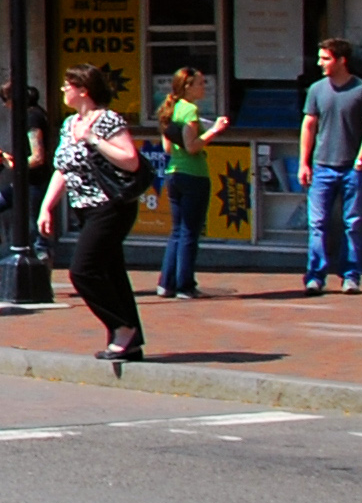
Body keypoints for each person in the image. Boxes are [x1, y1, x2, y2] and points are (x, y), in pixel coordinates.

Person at [48, 64, 151, 361]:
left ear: (84, 89)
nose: (63, 90)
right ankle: (129, 343)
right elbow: (63, 169)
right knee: (112, 273)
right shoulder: (69, 124)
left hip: (111, 206)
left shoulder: (107, 120)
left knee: (83, 271)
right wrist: (47, 207)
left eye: (68, 85)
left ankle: (121, 326)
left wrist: (93, 139)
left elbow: (130, 160)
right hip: (84, 209)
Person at [299, 38, 362, 296]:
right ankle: (315, 276)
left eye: (326, 58)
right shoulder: (316, 89)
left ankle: (351, 275)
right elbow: (309, 125)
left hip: (350, 168)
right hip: (322, 166)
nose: (320, 63)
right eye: (320, 58)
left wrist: (361, 159)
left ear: (341, 60)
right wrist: (304, 162)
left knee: (352, 223)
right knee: (318, 223)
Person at [155, 66, 232, 300]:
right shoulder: (189, 110)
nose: (204, 87)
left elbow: (168, 147)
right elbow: (192, 146)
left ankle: (166, 283)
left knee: (177, 231)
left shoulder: (169, 109)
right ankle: (184, 285)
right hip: (194, 174)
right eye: (200, 83)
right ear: (187, 86)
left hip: (174, 173)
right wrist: (215, 130)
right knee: (190, 231)